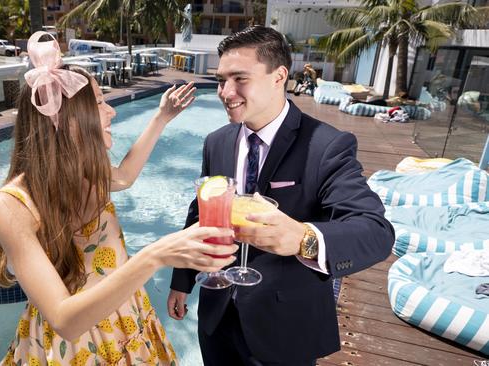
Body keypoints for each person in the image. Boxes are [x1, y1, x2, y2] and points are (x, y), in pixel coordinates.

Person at [0, 31, 238, 366]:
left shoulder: (86, 171)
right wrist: (155, 255)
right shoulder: (11, 204)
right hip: (78, 346)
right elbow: (65, 320)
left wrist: (161, 117)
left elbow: (125, 176)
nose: (110, 113)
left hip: (128, 318)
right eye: (99, 102)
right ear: (66, 119)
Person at [168, 25, 395, 366]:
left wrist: (304, 237)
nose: (225, 92)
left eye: (240, 79)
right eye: (220, 79)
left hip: (283, 327)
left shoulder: (327, 146)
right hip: (216, 319)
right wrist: (182, 279)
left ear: (279, 76)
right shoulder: (217, 141)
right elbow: (201, 211)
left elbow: (375, 231)